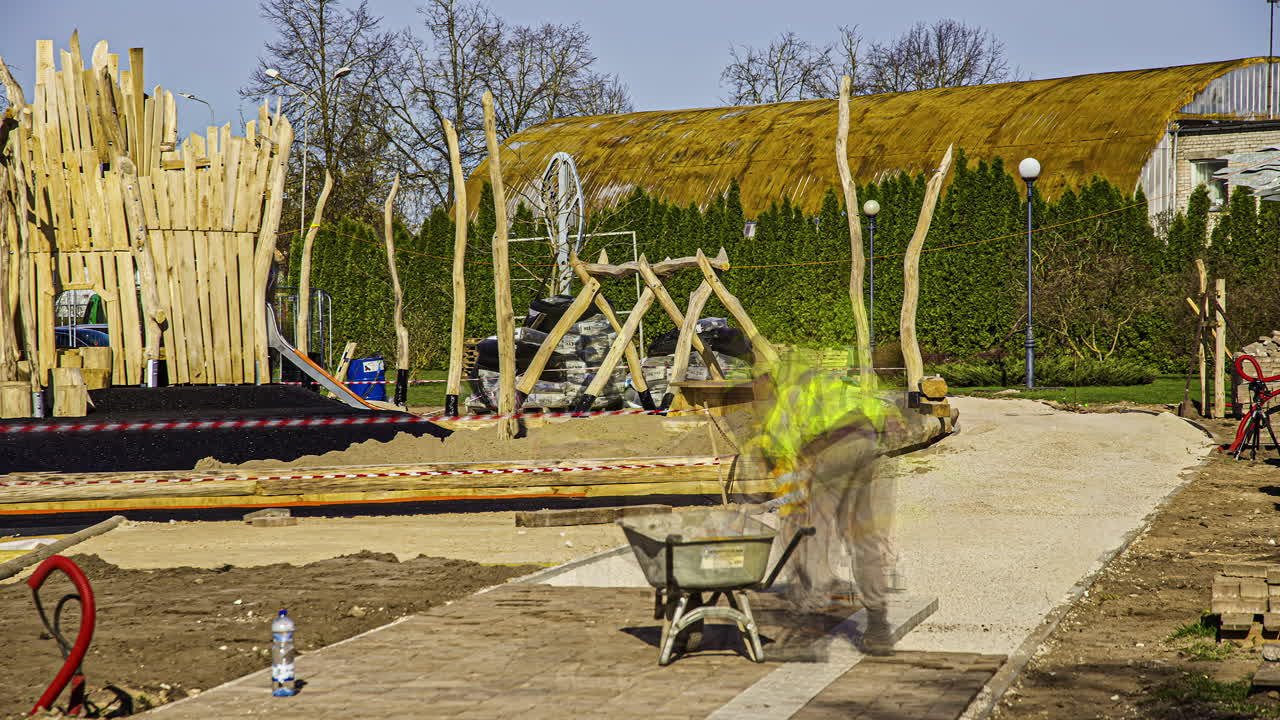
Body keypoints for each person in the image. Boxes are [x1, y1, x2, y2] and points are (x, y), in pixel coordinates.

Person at [749, 348, 899, 655]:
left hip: (834, 449)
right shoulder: (828, 384)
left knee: (811, 532)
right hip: (870, 447)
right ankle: (877, 624)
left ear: (768, 378)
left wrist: (782, 502)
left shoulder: (788, 397)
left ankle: (811, 616)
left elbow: (779, 450)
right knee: (863, 537)